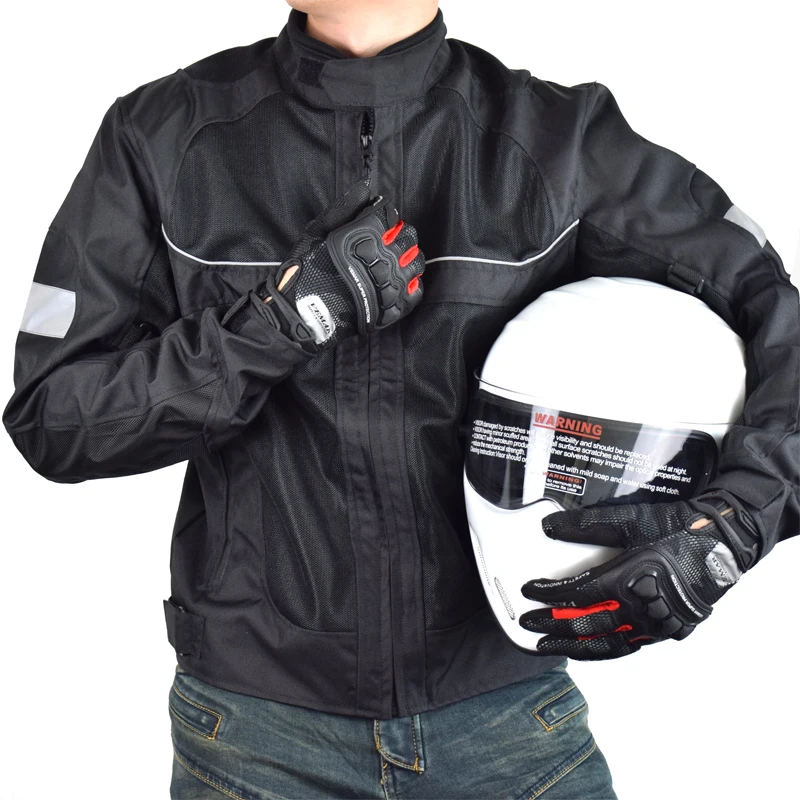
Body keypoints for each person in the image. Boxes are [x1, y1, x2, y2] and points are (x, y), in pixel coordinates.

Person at [3, 1, 797, 798]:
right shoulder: (161, 136)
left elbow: (780, 318)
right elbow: (54, 418)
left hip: (508, 724)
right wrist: (278, 324)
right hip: (254, 734)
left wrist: (728, 527)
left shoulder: (561, 141)